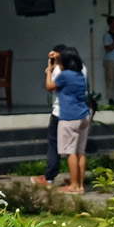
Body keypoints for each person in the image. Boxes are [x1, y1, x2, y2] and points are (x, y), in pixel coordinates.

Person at [47, 48, 89, 193]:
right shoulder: (80, 75)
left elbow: (49, 86)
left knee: (70, 152)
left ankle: (74, 185)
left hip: (69, 117)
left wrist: (49, 72)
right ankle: (81, 185)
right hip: (84, 115)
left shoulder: (64, 75)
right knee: (80, 152)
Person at [32, 43, 68, 187]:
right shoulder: (78, 69)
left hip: (59, 111)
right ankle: (77, 180)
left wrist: (49, 71)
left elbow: (50, 86)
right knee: (76, 150)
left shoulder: (60, 70)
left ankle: (49, 177)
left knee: (54, 145)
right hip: (75, 112)